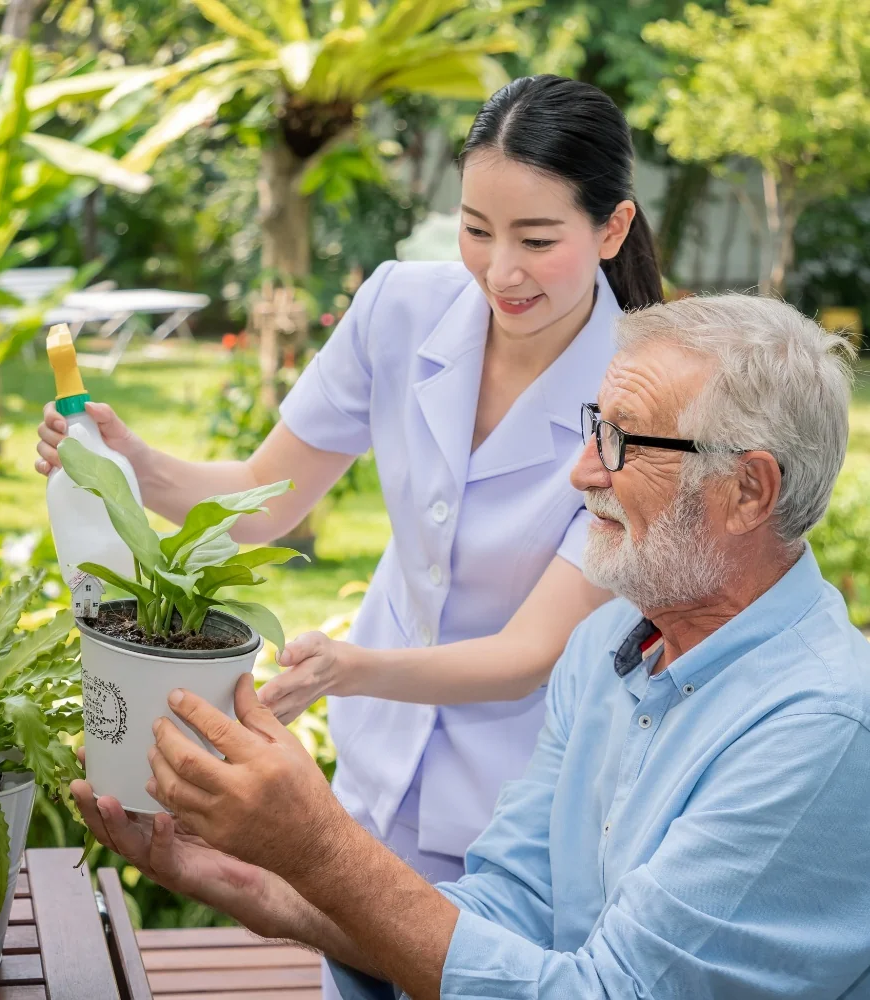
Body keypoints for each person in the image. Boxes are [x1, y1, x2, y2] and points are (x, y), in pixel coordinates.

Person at [36, 72, 660, 983]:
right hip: (372, 788)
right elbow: (264, 497)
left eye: (537, 239)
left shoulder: (644, 392)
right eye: (476, 230)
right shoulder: (402, 308)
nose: (500, 271)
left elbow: (531, 653)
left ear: (612, 228)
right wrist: (129, 462)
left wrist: (350, 669)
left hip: (520, 820)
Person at [74, 292, 870, 999]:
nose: (581, 472)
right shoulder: (605, 651)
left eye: (624, 443)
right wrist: (241, 875)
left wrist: (318, 845)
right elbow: (500, 920)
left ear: (748, 492)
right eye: (596, 427)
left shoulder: (820, 730)